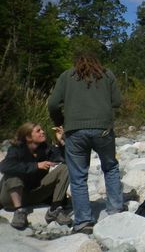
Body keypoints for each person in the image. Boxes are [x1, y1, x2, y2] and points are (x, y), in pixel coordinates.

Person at [48, 52, 123, 234]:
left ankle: (83, 221)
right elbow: (117, 102)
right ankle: (116, 211)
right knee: (110, 167)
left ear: (76, 62)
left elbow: (53, 104)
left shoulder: (67, 76)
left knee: (78, 176)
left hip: (74, 130)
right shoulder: (107, 74)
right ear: (97, 61)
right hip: (103, 129)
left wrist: (59, 122)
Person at [0, 122, 72, 229]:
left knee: (65, 168)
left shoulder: (45, 148)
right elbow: (4, 166)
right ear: (28, 137)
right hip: (11, 199)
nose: (43, 132)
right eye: (38, 131)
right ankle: (19, 211)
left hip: (35, 193)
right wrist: (36, 166)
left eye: (42, 129)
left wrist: (61, 141)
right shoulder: (16, 149)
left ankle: (55, 210)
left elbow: (68, 160)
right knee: (13, 174)